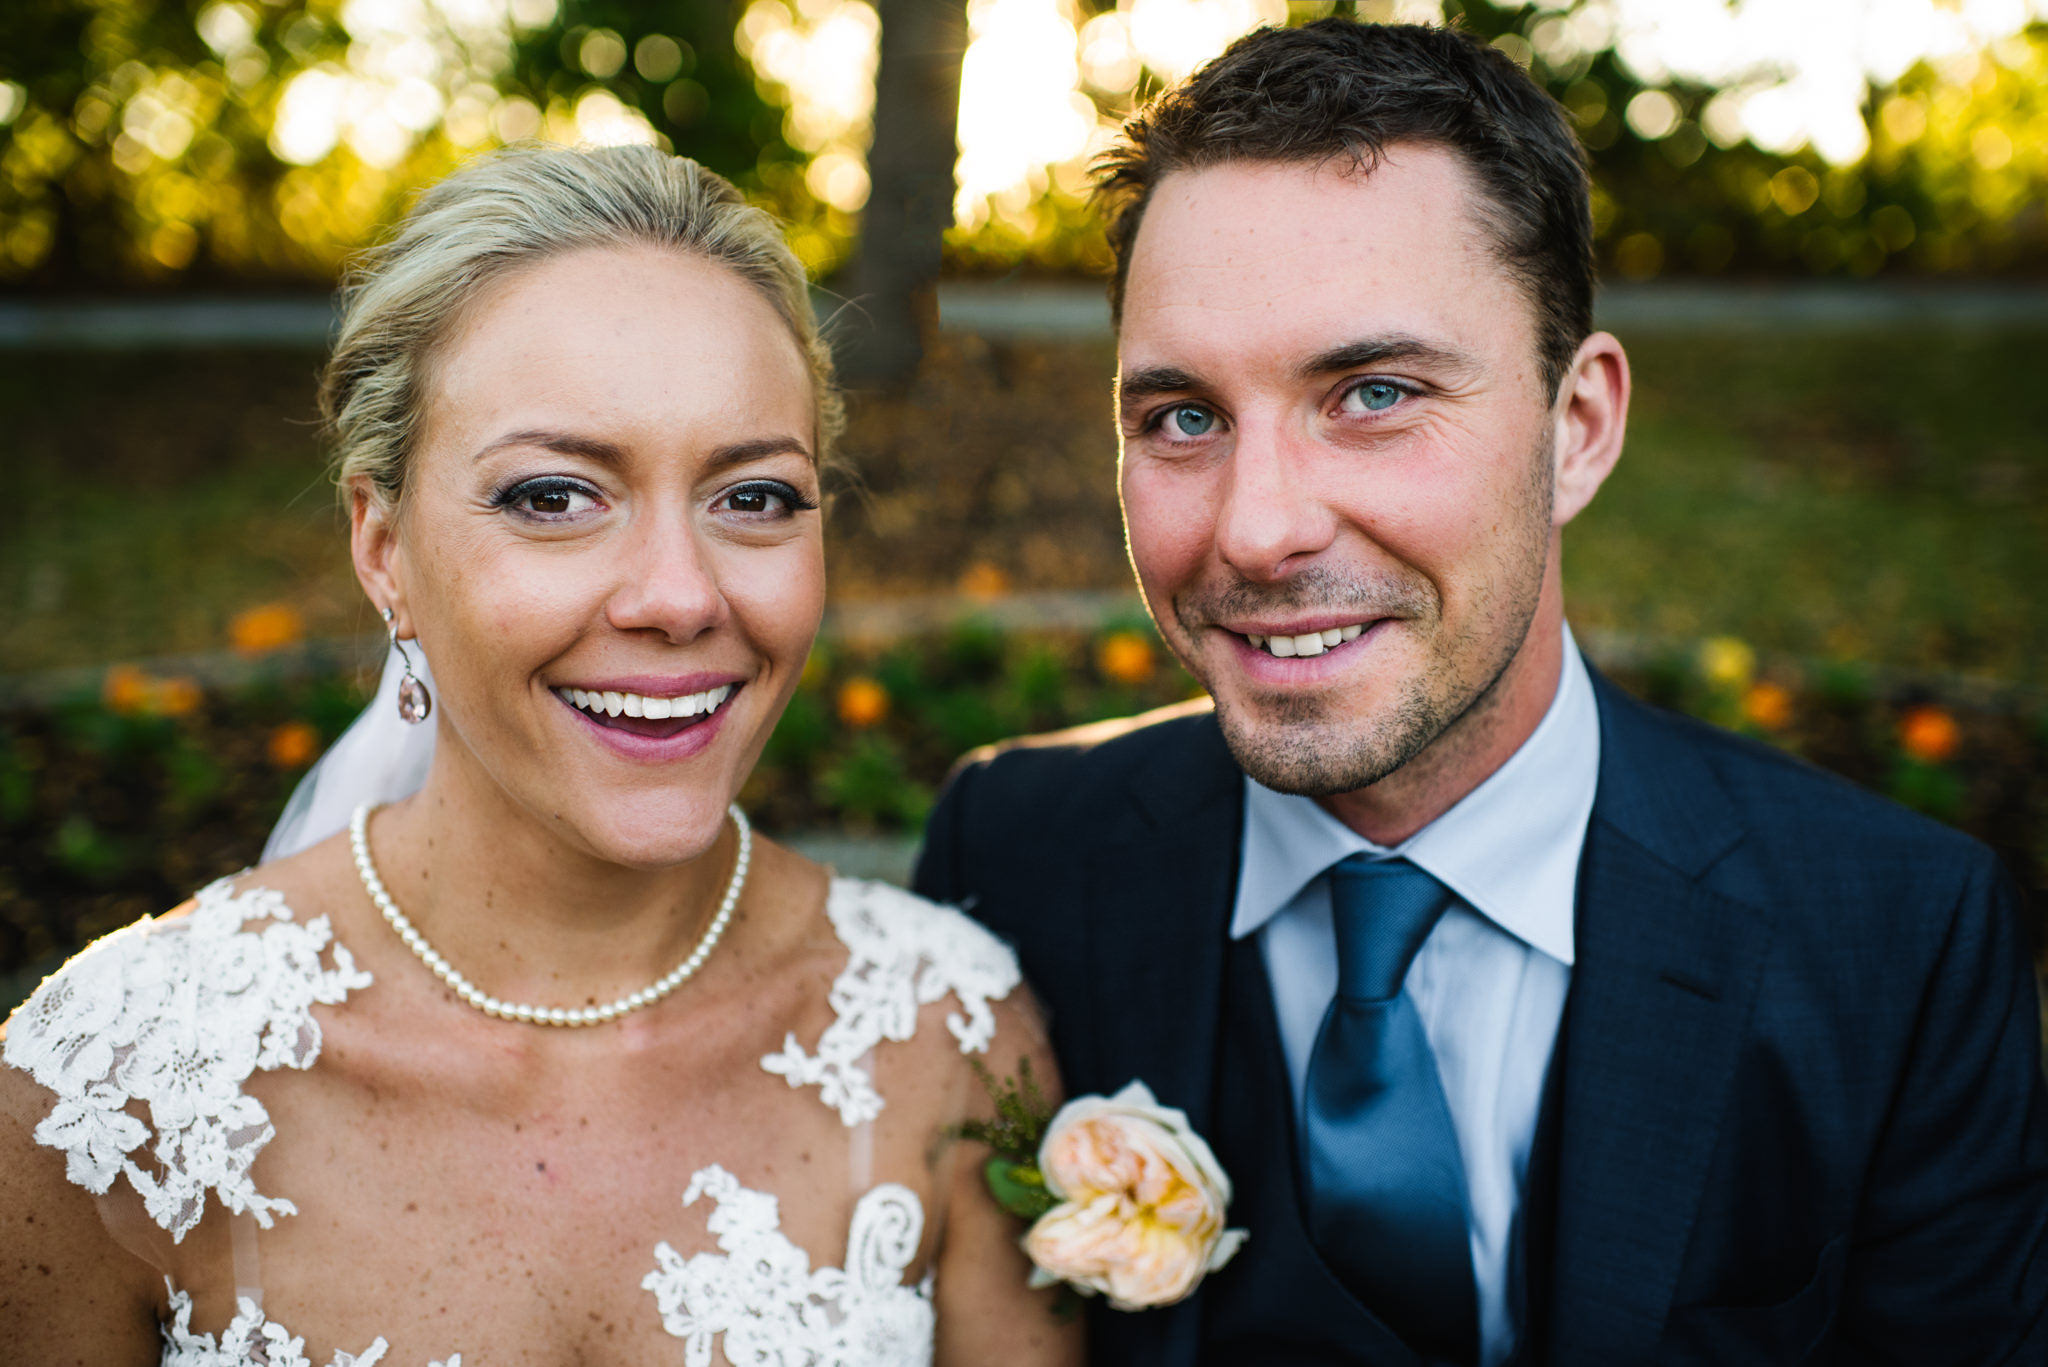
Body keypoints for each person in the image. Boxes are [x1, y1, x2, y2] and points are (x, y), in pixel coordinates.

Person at [914, 20, 2048, 1367]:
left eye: (1375, 391)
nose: (1257, 529)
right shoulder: (1018, 854)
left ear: (1579, 428)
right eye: (1182, 416)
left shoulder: (1894, 940)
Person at [0, 143, 1080, 1367]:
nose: (678, 595)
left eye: (754, 497)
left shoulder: (949, 1034)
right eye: (554, 497)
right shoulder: (100, 1099)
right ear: (382, 545)